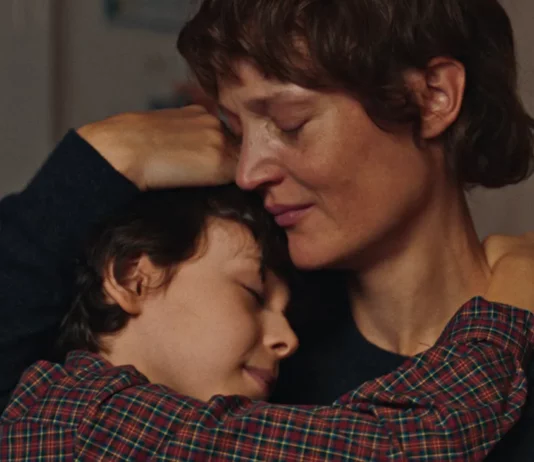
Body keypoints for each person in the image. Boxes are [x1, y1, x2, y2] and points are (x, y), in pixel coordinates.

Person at [1, 0, 534, 457]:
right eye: (236, 130)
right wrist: (104, 157)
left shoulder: (256, 329)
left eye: (289, 123)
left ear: (433, 95)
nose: (248, 172)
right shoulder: (216, 349)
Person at [2, 151, 534, 461]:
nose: (287, 339)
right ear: (132, 278)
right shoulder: (83, 422)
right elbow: (407, 444)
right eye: (253, 295)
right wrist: (510, 299)